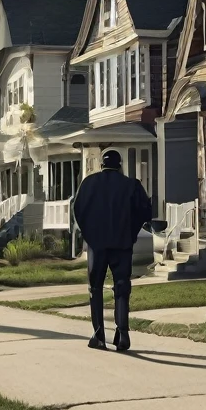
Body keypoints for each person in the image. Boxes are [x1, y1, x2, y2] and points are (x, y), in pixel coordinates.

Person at [72, 149, 153, 352]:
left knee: (95, 288)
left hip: (97, 246)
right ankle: (122, 334)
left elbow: (78, 211)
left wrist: (90, 235)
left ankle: (99, 334)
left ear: (101, 164)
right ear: (120, 165)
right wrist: (131, 232)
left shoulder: (88, 184)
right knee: (122, 288)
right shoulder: (131, 185)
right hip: (122, 245)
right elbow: (145, 211)